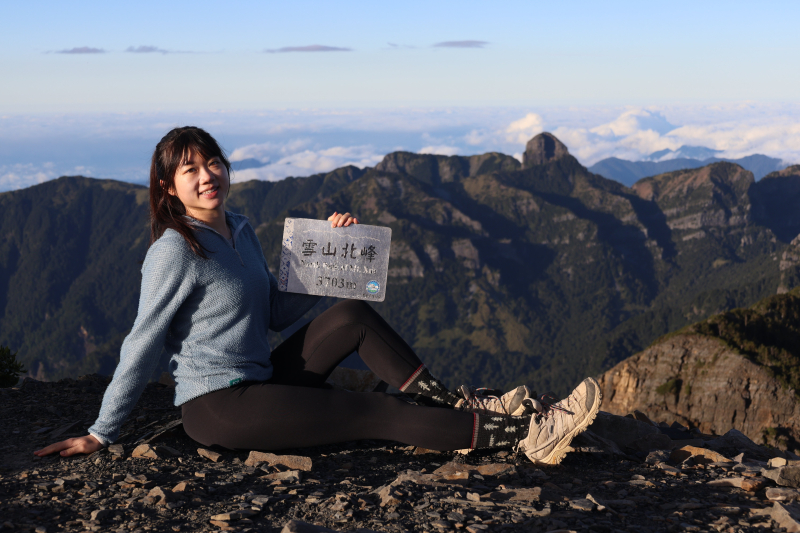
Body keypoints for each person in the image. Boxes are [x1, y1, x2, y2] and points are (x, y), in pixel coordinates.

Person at [34, 126, 601, 464]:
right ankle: (529, 435)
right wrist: (101, 433)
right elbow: (143, 342)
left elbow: (277, 314)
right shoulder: (175, 250)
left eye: (212, 162)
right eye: (189, 170)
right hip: (219, 406)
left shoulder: (244, 230)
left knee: (351, 314)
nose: (207, 175)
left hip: (261, 375)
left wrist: (327, 256)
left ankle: (460, 408)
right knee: (376, 410)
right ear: (168, 188)